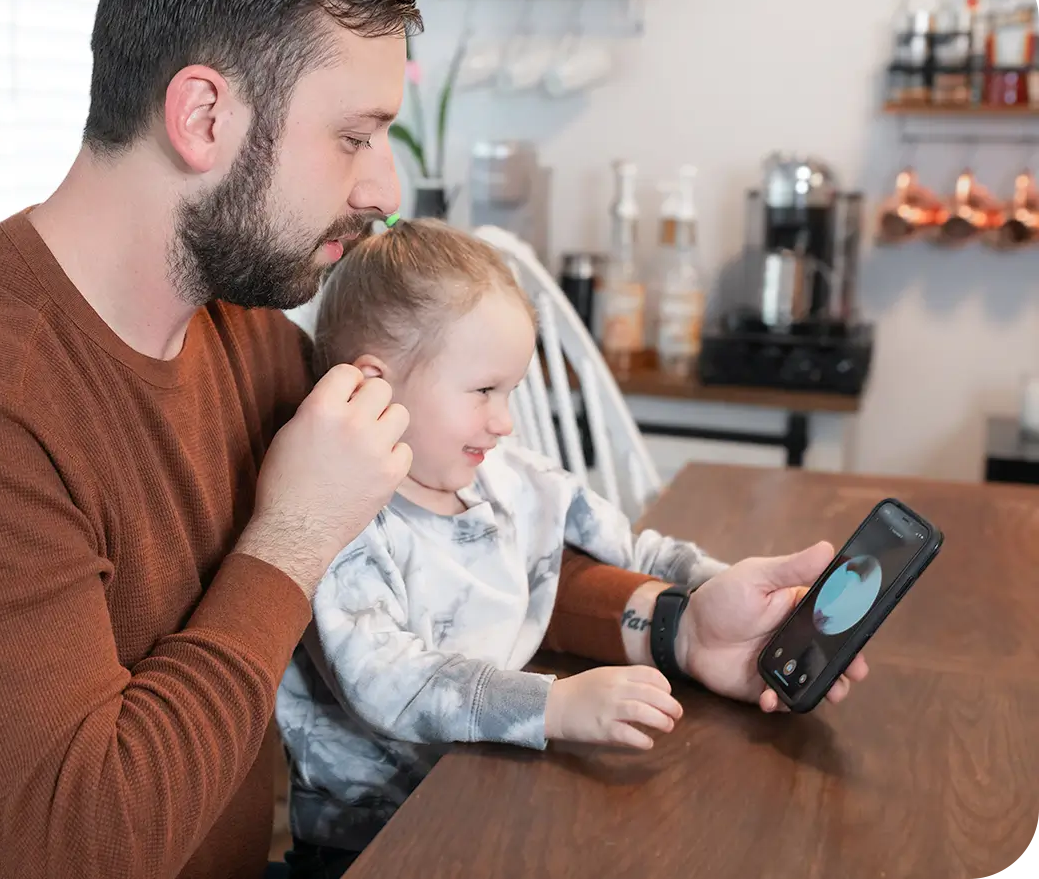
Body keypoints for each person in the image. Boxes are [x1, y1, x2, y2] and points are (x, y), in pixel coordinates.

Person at [0, 0, 865, 879]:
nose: (384, 184)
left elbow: (439, 552)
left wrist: (670, 620)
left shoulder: (245, 335)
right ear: (203, 114)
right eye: (353, 134)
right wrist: (291, 535)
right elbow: (85, 843)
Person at [275, 219, 869, 878]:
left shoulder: (509, 476)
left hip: (496, 793)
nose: (504, 420)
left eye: (511, 391)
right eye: (482, 391)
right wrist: (553, 705)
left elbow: (633, 546)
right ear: (374, 384)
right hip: (372, 841)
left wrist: (726, 585)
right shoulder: (341, 516)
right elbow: (387, 682)